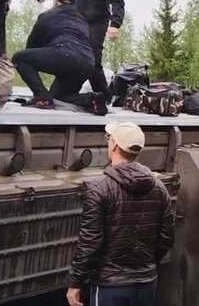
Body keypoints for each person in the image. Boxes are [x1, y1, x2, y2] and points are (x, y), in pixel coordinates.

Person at [67, 122, 174, 306]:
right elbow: (167, 236)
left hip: (110, 285)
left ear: (114, 145)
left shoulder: (99, 188)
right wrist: (146, 263)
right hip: (146, 283)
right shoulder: (159, 188)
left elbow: (90, 242)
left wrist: (76, 283)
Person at [12, 0, 107, 115]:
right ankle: (92, 100)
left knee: (20, 58)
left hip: (65, 54)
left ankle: (41, 97)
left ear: (57, 1)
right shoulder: (82, 19)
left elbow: (31, 47)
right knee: (60, 97)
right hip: (87, 63)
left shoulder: (48, 15)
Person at [71, 0, 126, 102]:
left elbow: (117, 3)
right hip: (79, 22)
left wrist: (115, 24)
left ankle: (105, 96)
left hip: (97, 23)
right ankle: (67, 91)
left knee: (93, 59)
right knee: (75, 57)